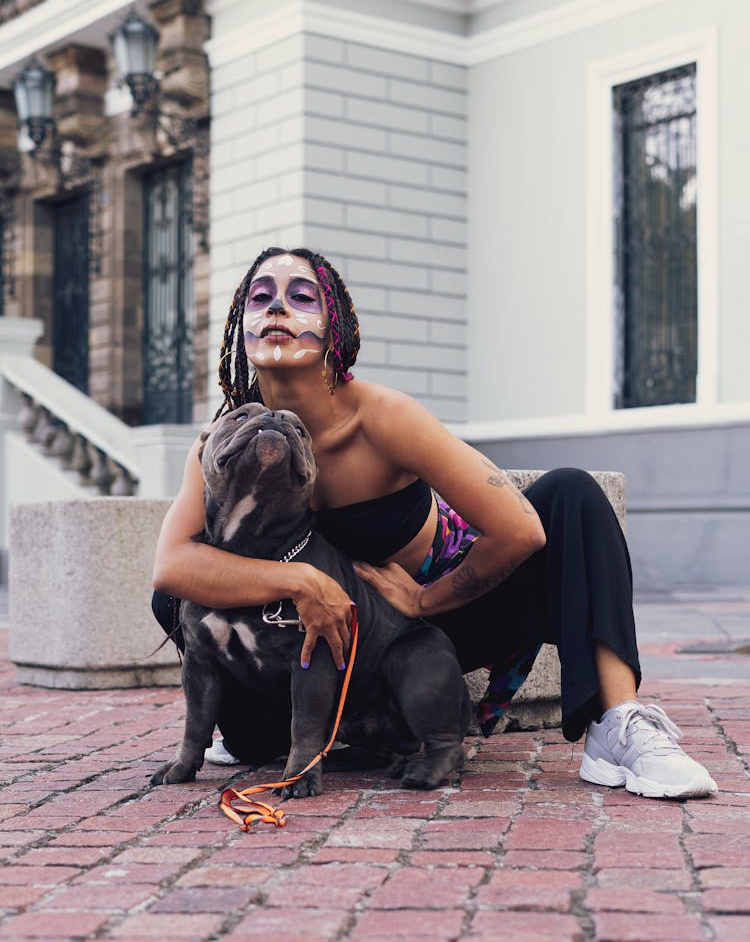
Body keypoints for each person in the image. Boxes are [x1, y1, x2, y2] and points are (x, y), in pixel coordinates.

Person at [152, 246, 717, 800]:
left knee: (571, 493)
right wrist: (304, 582)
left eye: (301, 296)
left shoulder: (383, 417)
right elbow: (172, 565)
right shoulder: (231, 439)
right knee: (183, 619)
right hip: (304, 645)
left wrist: (425, 601)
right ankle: (289, 728)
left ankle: (619, 725)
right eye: (261, 297)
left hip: (429, 626)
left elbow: (519, 529)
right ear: (239, 324)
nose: (277, 308)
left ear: (335, 327)